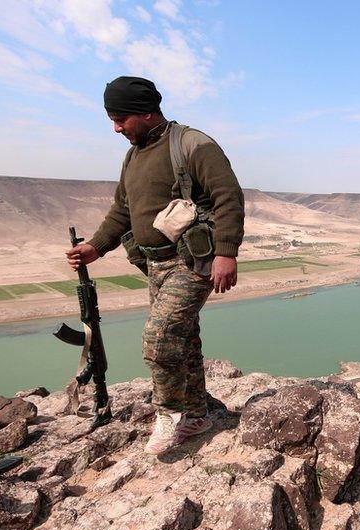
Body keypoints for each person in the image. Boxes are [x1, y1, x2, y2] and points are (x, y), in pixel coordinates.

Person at [66, 76, 245, 455]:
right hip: (154, 265)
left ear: (146, 112)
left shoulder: (194, 145)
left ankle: (169, 415)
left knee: (159, 340)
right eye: (112, 119)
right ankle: (197, 415)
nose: (116, 128)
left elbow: (228, 197)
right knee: (184, 340)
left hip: (192, 262)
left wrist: (226, 253)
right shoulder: (133, 155)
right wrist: (96, 247)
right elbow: (123, 209)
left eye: (120, 119)